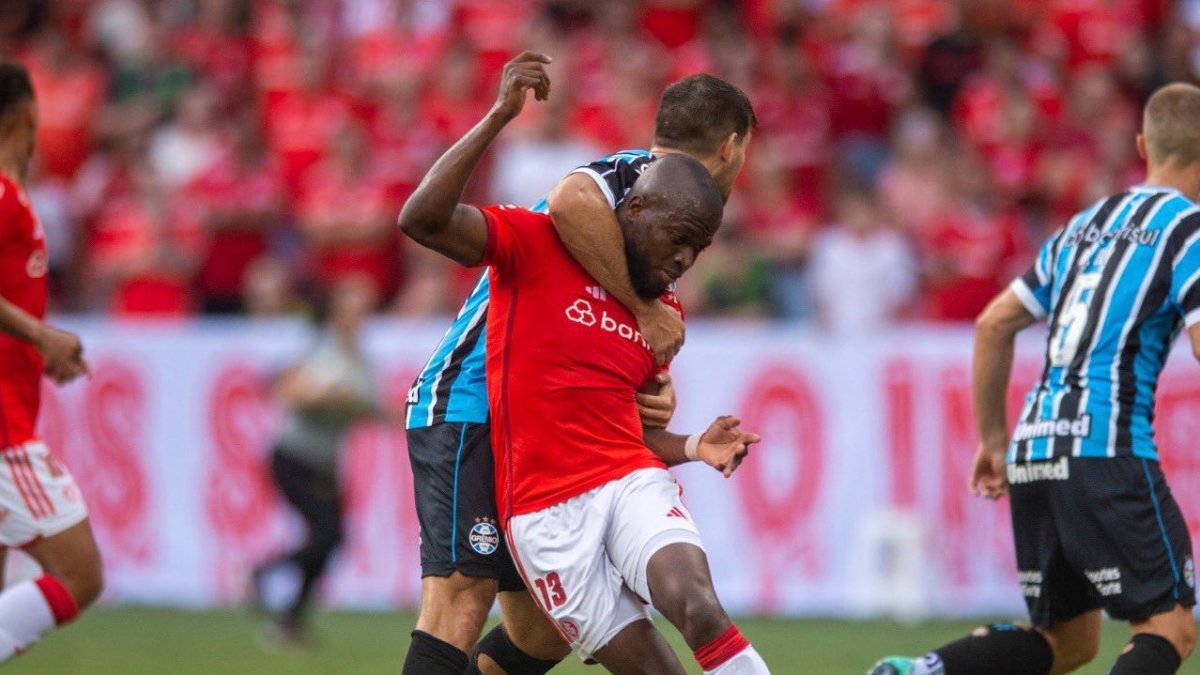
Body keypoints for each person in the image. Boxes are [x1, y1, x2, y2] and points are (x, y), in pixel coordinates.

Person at [400, 51, 769, 675]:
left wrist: (660, 414)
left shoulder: (654, 262)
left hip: (552, 442)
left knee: (543, 635)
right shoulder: (632, 178)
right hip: (470, 396)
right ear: (732, 148)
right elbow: (569, 201)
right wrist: (642, 313)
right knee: (461, 603)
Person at [869, 82, 1200, 675]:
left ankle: (922, 672)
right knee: (1169, 626)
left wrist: (994, 442)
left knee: (1068, 643)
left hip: (1035, 447)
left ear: (1143, 145)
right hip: (1108, 445)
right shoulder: (1190, 230)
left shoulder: (1084, 225)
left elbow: (995, 323)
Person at [0, 60, 102, 662]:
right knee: (80, 574)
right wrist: (43, 336)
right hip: (4, 429)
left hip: (15, 407)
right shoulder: (4, 195)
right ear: (29, 116)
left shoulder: (19, 196)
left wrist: (39, 347)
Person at [250, 275, 383, 645]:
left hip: (325, 462)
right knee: (328, 536)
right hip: (294, 456)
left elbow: (367, 407)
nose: (360, 318)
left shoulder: (361, 358)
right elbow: (286, 391)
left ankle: (285, 609)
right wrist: (326, 397)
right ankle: (269, 581)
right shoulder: (320, 349)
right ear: (337, 315)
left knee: (330, 539)